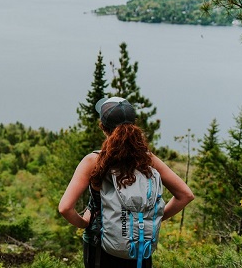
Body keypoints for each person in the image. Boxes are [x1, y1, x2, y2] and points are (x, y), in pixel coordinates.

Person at [59, 97, 194, 268]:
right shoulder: (148, 159)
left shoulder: (93, 160)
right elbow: (186, 195)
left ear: (103, 127)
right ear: (133, 125)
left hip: (100, 247)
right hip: (139, 247)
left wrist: (85, 223)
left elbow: (65, 208)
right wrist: (151, 219)